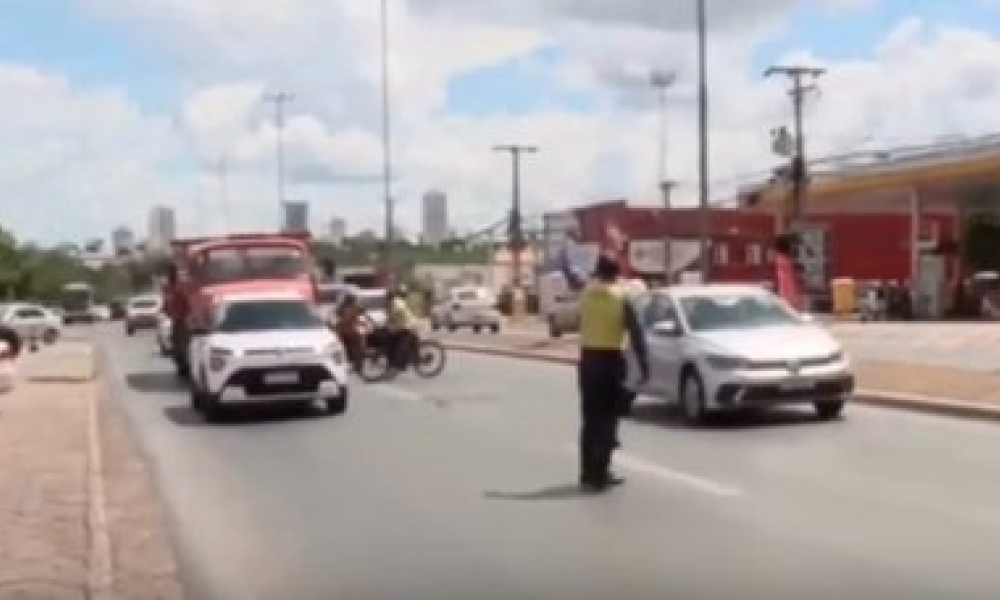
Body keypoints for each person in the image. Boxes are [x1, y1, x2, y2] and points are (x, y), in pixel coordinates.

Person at [575, 254, 649, 492]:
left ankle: (587, 471)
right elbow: (636, 333)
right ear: (617, 274)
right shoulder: (622, 298)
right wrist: (644, 362)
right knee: (608, 418)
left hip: (587, 361)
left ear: (598, 273)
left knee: (590, 418)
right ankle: (602, 471)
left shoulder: (585, 295)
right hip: (610, 360)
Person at [161, 264, 191, 375]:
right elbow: (166, 305)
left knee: (182, 345)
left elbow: (188, 303)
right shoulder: (169, 288)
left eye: (172, 274)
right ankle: (182, 365)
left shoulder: (181, 287)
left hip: (183, 320)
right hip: (176, 321)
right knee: (177, 345)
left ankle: (184, 365)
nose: (171, 276)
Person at [335, 293, 371, 372]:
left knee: (345, 348)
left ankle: (347, 364)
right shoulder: (356, 307)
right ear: (353, 300)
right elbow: (366, 316)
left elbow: (337, 316)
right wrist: (368, 323)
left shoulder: (341, 308)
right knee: (358, 347)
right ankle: (358, 366)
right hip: (351, 331)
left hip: (341, 331)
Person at [387, 286, 420, 370]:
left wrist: (392, 317)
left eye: (388, 296)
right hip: (404, 325)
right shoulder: (393, 302)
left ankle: (400, 365)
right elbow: (392, 316)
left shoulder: (396, 301)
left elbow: (399, 310)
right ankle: (402, 363)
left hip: (408, 325)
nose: (387, 298)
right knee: (397, 342)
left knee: (401, 346)